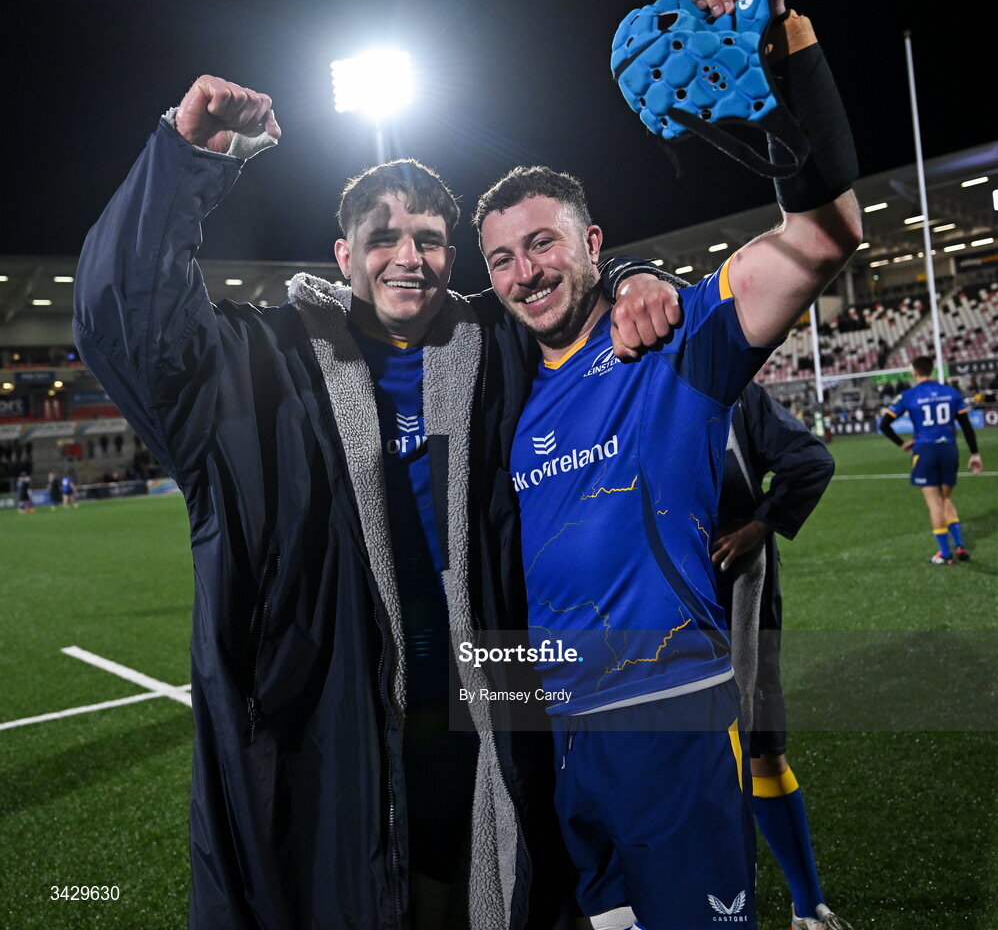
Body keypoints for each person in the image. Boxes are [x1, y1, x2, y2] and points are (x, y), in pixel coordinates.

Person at [74, 73, 679, 929]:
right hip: (327, 727)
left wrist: (632, 274)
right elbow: (119, 320)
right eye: (382, 237)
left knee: (489, 895)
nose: (408, 256)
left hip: (489, 715)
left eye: (429, 239)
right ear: (343, 256)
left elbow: (557, 284)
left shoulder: (494, 347)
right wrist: (186, 154)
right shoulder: (258, 364)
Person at [474, 0, 861, 930]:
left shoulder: (673, 336)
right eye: (503, 259)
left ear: (592, 242)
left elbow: (822, 237)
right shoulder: (510, 391)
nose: (525, 273)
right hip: (564, 741)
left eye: (544, 243)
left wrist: (785, 38)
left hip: (669, 721)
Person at [708, 378, 851, 930]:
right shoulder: (601, 388)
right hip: (652, 602)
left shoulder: (732, 390)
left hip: (738, 593)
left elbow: (811, 460)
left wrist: (758, 526)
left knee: (762, 749)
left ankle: (806, 906)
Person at [879, 355, 983, 564]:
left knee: (934, 504)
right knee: (946, 499)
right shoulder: (951, 393)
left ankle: (945, 554)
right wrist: (975, 453)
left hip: (925, 451)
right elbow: (967, 426)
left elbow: (884, 424)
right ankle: (960, 546)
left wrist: (901, 443)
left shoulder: (908, 395)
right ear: (932, 369)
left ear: (914, 371)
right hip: (949, 450)